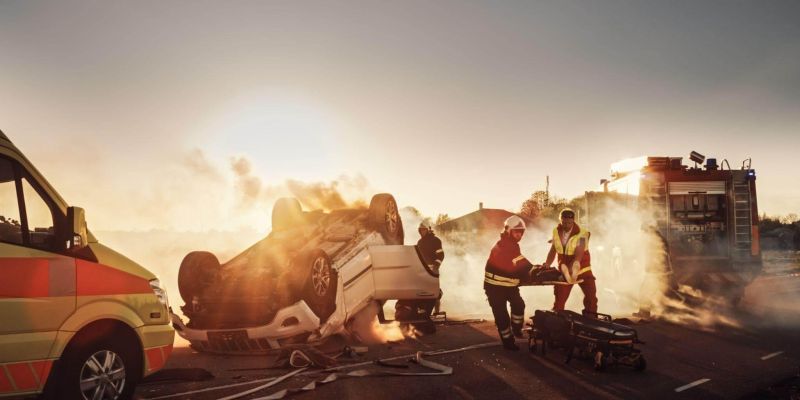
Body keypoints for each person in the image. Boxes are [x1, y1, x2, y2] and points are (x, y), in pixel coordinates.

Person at [484, 215, 536, 350]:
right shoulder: (504, 245)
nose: (519, 235)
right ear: (508, 231)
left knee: (519, 305)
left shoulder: (512, 244)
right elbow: (521, 264)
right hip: (494, 288)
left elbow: (517, 264)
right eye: (516, 231)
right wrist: (534, 270)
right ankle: (508, 342)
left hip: (509, 286)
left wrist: (533, 270)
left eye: (521, 232)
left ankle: (517, 328)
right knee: (502, 317)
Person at [543, 208, 598, 314]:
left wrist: (566, 272)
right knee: (559, 301)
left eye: (569, 222)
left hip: (583, 271)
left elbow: (578, 257)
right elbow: (553, 249)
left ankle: (591, 321)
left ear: (573, 221)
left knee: (591, 298)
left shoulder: (582, 234)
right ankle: (557, 321)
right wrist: (547, 264)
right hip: (564, 271)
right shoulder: (556, 231)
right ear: (560, 220)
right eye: (564, 222)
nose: (566, 225)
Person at [395, 221, 444, 333]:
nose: (421, 232)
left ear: (428, 230)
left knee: (435, 292)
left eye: (423, 229)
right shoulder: (420, 242)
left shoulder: (436, 241)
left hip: (432, 271)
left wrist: (436, 265)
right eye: (420, 230)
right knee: (423, 293)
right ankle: (423, 313)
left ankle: (436, 313)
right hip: (421, 272)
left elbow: (441, 254)